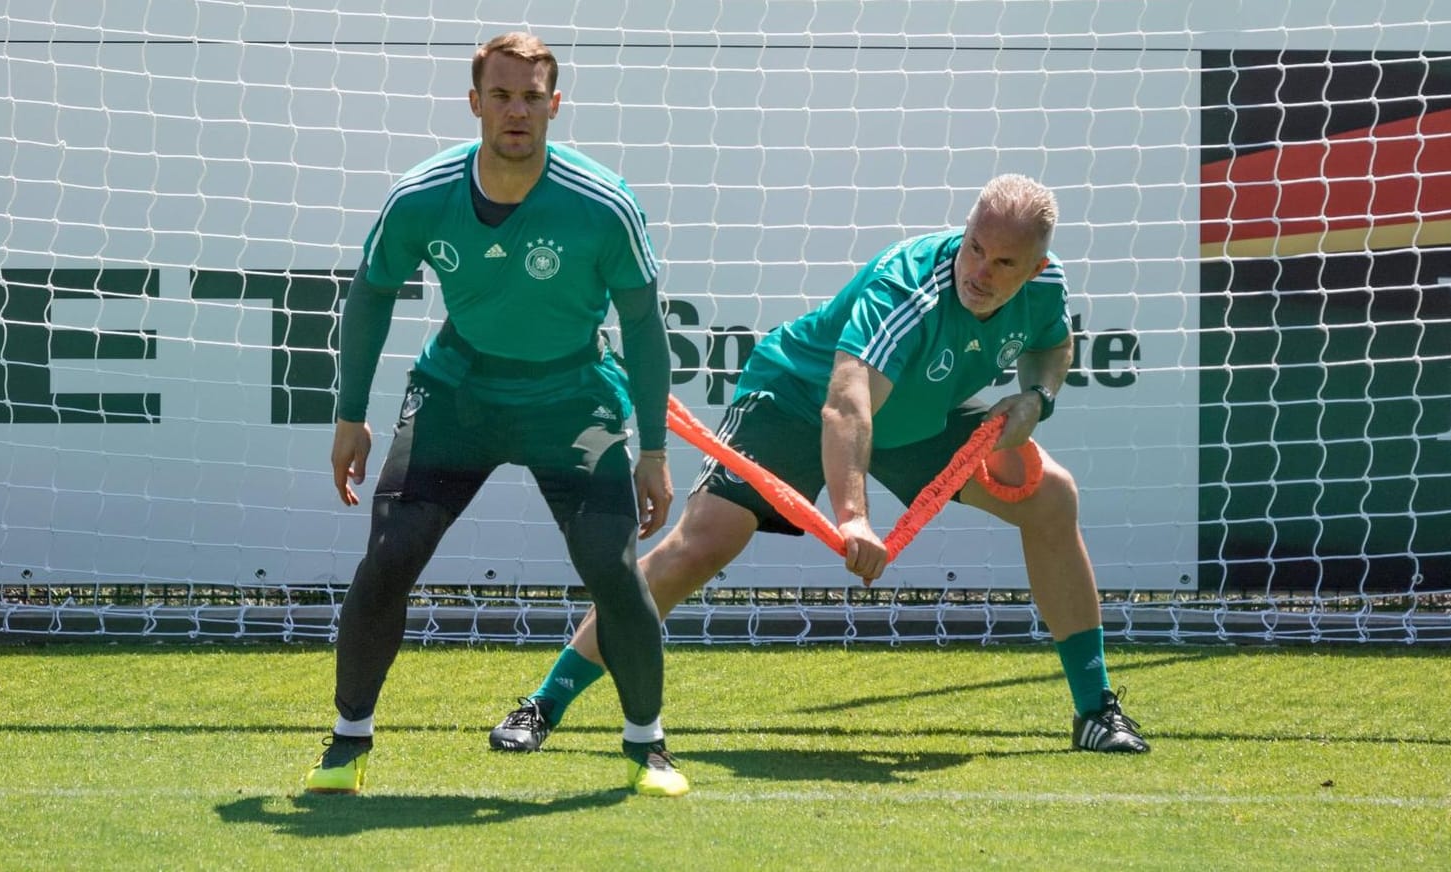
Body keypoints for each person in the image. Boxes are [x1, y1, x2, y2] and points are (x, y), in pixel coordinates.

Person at [490, 173, 1149, 756]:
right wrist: (854, 517)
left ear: (1035, 266)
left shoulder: (1044, 284)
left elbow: (1050, 347)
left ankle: (1095, 710)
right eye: (974, 247)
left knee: (1050, 494)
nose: (978, 271)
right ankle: (543, 704)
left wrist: (1038, 395)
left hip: (917, 417)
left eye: (1002, 262)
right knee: (704, 543)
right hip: (799, 400)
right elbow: (846, 403)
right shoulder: (910, 287)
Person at [304, 32, 689, 798]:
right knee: (389, 554)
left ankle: (646, 746)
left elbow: (644, 327)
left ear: (555, 104)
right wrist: (349, 414)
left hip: (574, 400)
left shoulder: (601, 204)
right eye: (502, 95)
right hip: (458, 394)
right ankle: (346, 745)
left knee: (612, 569)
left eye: (532, 96)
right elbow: (373, 292)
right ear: (475, 102)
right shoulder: (422, 194)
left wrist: (652, 448)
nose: (518, 111)